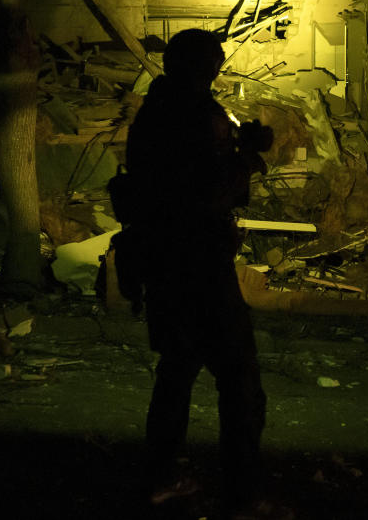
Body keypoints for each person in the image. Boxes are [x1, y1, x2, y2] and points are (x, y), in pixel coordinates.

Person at [116, 28, 290, 520]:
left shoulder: (156, 111)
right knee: (239, 382)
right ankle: (243, 495)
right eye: (214, 61)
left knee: (176, 370)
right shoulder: (194, 115)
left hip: (162, 262)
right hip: (198, 265)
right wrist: (249, 158)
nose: (218, 68)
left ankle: (160, 478)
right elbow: (205, 194)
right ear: (200, 66)